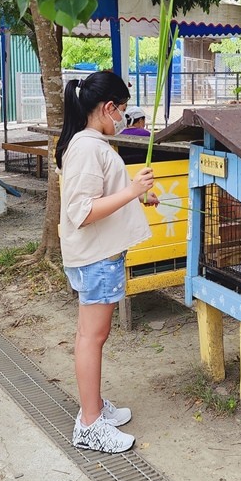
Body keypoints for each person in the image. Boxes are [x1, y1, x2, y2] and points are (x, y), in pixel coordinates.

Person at [55, 71, 159, 453]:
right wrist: (132, 189)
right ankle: (89, 423)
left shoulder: (91, 143)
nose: (125, 119)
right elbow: (81, 211)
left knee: (91, 336)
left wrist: (136, 197)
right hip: (96, 258)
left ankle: (93, 407)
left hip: (98, 255)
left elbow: (102, 194)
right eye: (124, 111)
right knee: (92, 338)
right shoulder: (87, 147)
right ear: (108, 107)